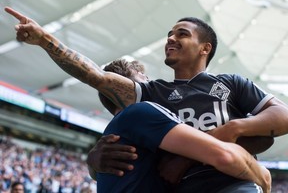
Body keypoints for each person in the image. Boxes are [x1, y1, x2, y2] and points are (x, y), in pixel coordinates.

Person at [5, 6, 288, 192]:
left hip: (233, 183)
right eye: (168, 34)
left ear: (205, 48)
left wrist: (233, 129)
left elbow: (282, 116)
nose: (170, 38)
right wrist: (45, 41)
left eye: (181, 33)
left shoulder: (231, 84)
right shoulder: (151, 94)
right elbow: (96, 76)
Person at [94, 59, 270, 193]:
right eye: (145, 79)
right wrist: (261, 174)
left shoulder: (113, 137)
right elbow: (223, 155)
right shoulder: (142, 111)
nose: (151, 84)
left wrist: (91, 164)